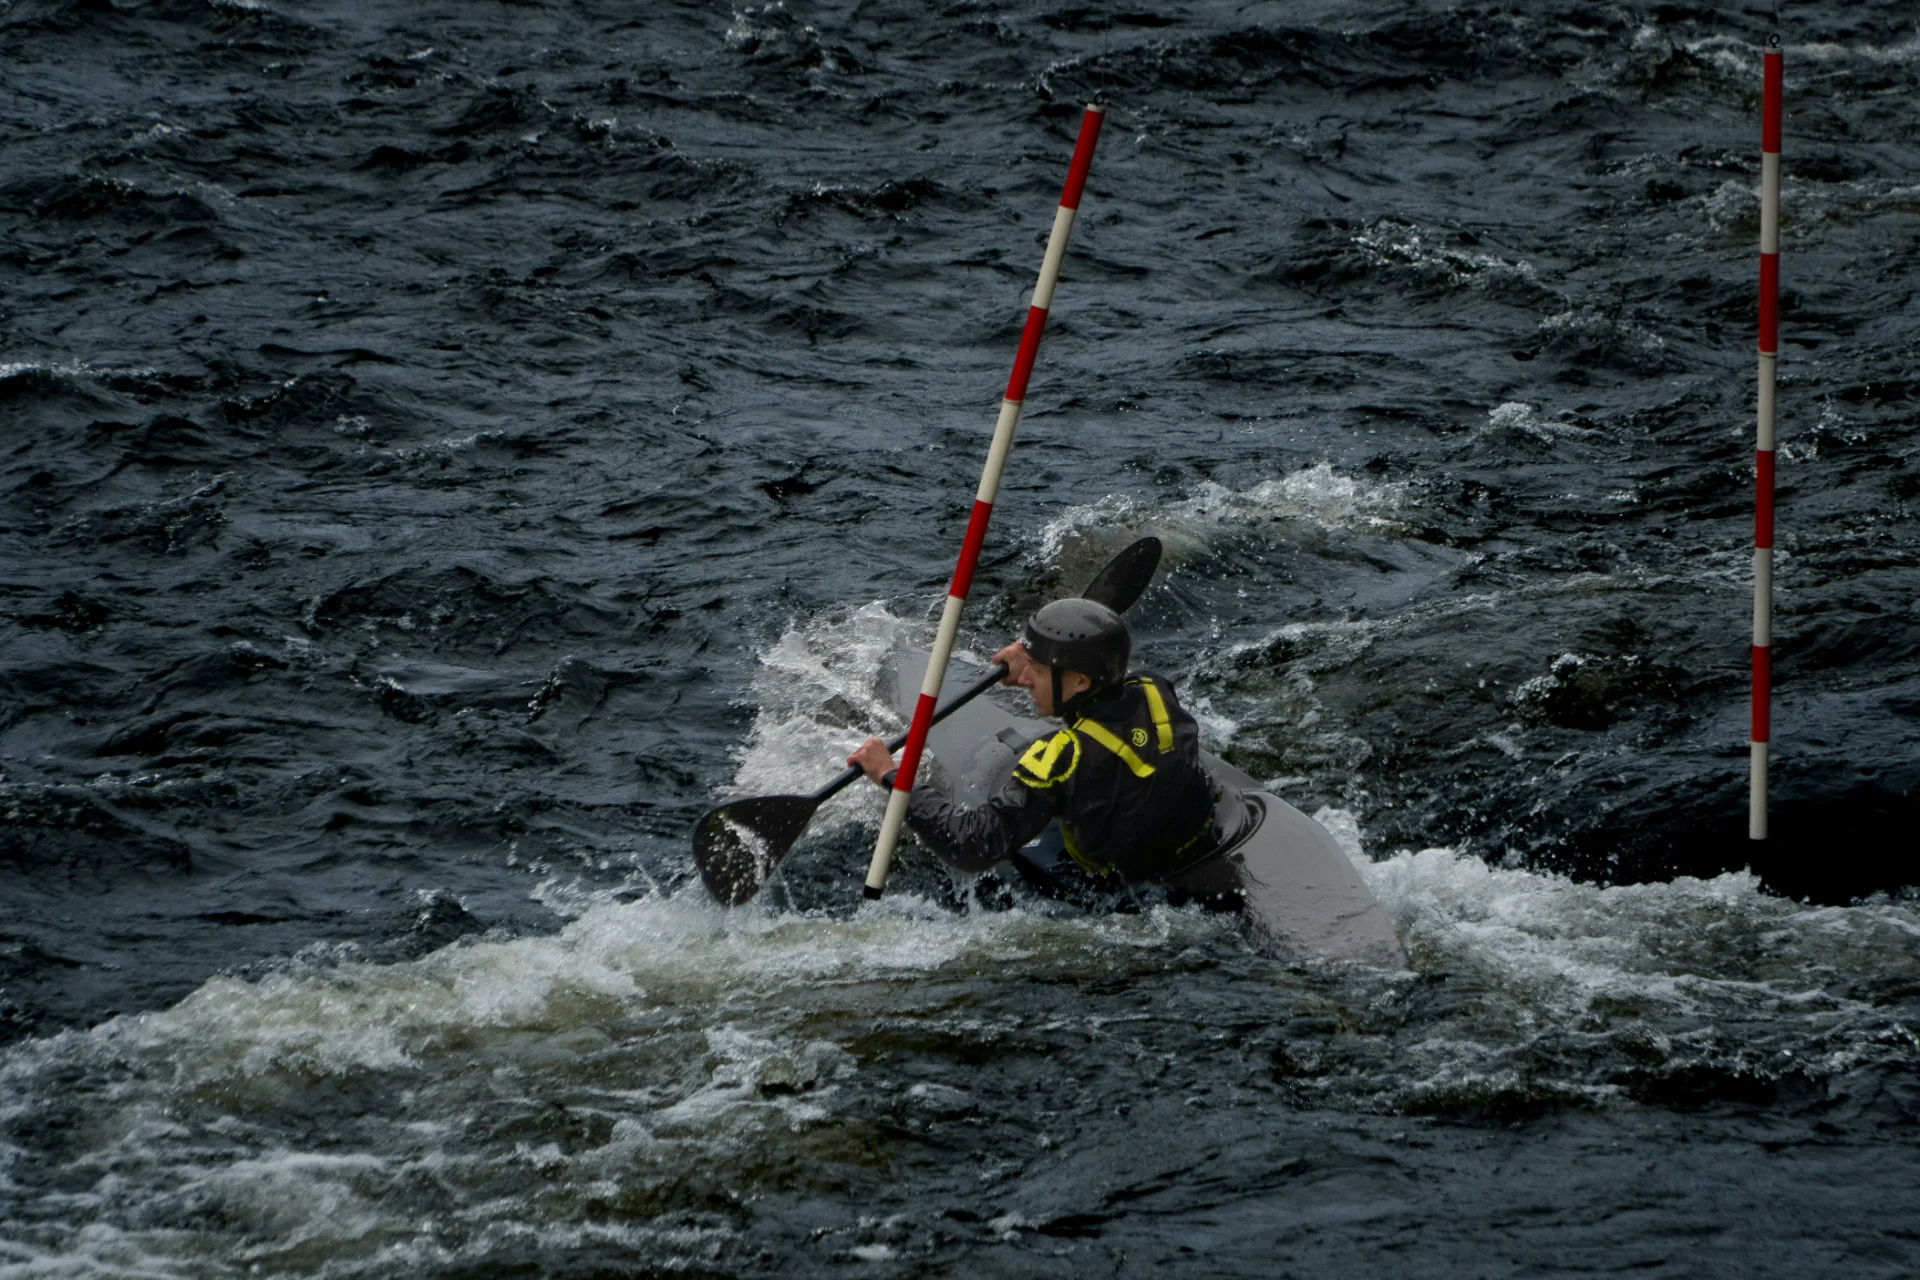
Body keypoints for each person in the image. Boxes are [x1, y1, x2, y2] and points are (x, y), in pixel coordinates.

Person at [845, 598, 1219, 888]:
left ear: (1081, 682)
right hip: (1192, 846)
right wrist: (1034, 654)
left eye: (1037, 673)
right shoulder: (1155, 689)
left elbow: (973, 844)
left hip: (1117, 888)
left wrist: (893, 777)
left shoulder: (1061, 757)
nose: (1025, 681)